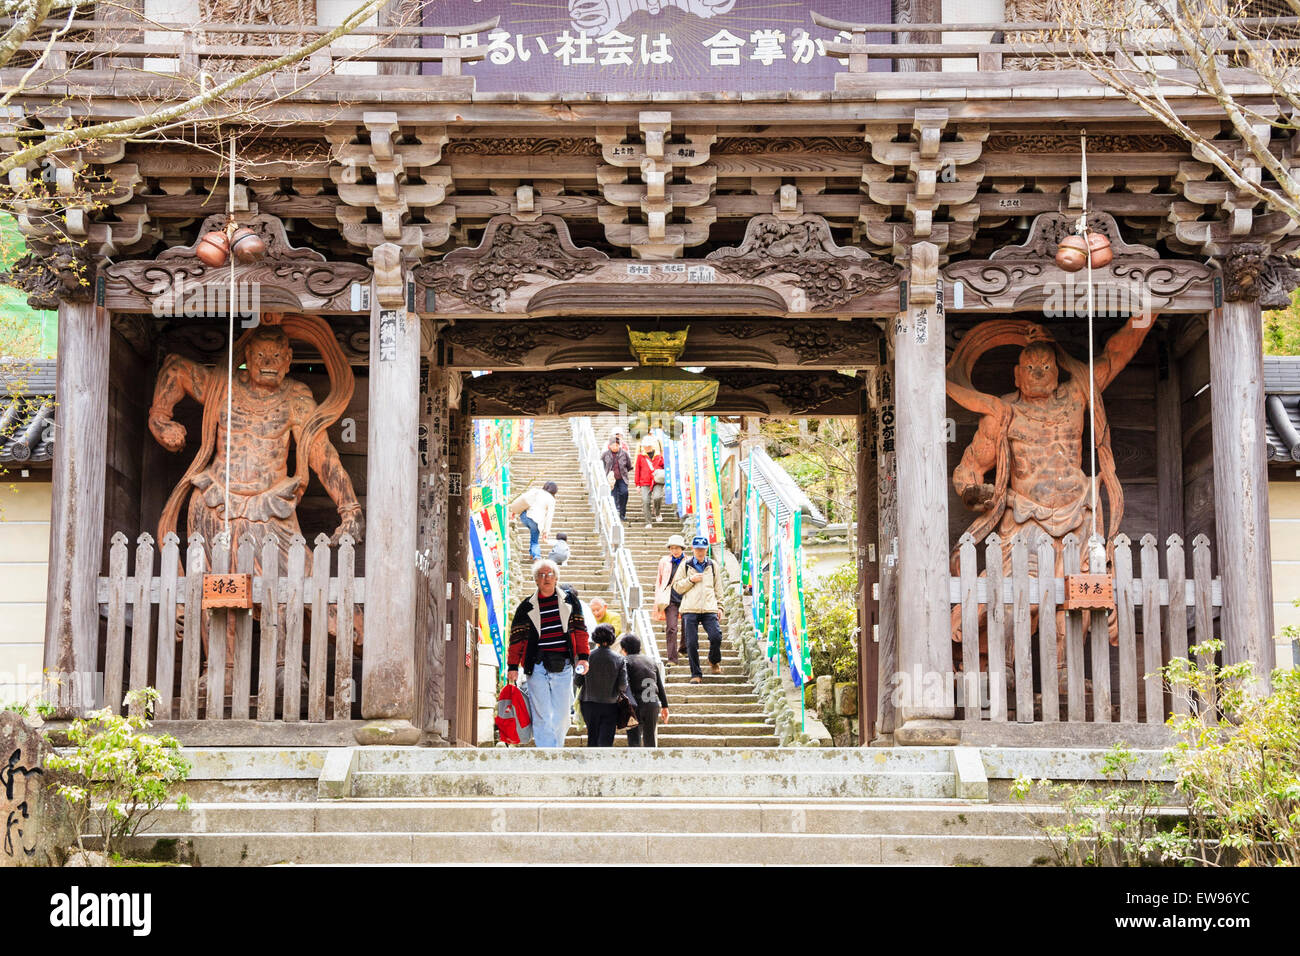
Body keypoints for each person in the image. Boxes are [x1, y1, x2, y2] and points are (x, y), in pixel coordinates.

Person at [507, 559, 589, 748]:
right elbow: (516, 639)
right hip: (536, 665)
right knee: (541, 713)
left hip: (563, 663)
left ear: (556, 578)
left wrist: (583, 657)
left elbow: (580, 629)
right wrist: (512, 666)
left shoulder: (569, 601)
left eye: (550, 574)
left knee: (561, 715)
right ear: (536, 580)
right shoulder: (526, 606)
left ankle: (556, 748)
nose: (546, 578)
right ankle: (546, 752)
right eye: (541, 575)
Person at [671, 535, 724, 684]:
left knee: (716, 637)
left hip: (709, 608)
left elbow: (718, 588)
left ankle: (714, 660)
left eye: (703, 549)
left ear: (707, 549)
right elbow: (677, 587)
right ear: (693, 549)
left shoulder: (713, 565)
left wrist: (720, 606)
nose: (700, 552)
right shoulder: (686, 565)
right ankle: (696, 674)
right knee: (691, 643)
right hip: (690, 608)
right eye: (697, 549)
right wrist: (690, 580)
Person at [579, 624, 630, 747]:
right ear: (612, 639)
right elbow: (623, 685)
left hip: (588, 703)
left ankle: (591, 764)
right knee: (606, 740)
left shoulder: (587, 658)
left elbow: (577, 681)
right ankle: (604, 764)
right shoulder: (619, 659)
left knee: (592, 737)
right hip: (610, 705)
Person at [620, 633, 668, 748]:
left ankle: (636, 765)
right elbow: (660, 685)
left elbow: (624, 684)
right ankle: (651, 765)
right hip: (653, 704)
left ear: (624, 649)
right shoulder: (650, 661)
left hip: (635, 704)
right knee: (650, 739)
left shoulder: (626, 661)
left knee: (634, 741)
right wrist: (665, 706)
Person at [654, 534, 688, 663]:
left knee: (687, 626)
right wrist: (658, 597)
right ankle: (672, 658)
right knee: (671, 628)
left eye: (677, 548)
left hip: (685, 597)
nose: (674, 551)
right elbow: (660, 580)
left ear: (682, 548)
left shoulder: (689, 561)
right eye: (672, 548)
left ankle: (684, 648)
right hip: (670, 599)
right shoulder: (664, 561)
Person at [507, 480, 557, 560]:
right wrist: (545, 532)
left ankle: (531, 553)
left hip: (525, 517)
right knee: (535, 540)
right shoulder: (551, 500)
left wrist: (514, 511)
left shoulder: (536, 491)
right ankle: (536, 556)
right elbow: (549, 517)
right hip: (537, 522)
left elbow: (522, 500)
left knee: (533, 534)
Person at [634, 436, 665, 528]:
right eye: (645, 446)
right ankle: (648, 522)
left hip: (657, 481)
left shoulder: (659, 456)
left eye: (648, 446)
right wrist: (637, 484)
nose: (646, 448)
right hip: (644, 482)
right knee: (645, 501)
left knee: (657, 497)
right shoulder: (640, 457)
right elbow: (637, 470)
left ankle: (657, 512)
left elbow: (664, 467)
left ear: (652, 446)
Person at [601, 434, 632, 521]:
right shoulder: (605, 454)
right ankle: (614, 515)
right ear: (609, 446)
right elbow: (601, 465)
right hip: (611, 479)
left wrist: (624, 472)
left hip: (622, 478)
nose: (615, 447)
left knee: (624, 493)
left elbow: (629, 466)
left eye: (617, 445)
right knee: (613, 496)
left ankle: (622, 513)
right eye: (613, 445)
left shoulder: (624, 454)